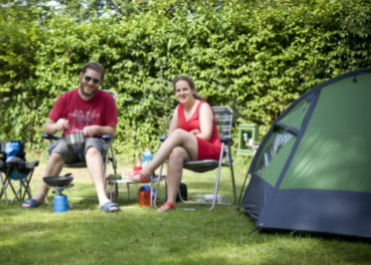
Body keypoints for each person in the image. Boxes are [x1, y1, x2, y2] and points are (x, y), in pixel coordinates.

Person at [21, 62, 120, 212]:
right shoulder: (65, 98)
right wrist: (56, 126)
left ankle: (102, 199)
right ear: (81, 76)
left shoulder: (106, 99)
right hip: (70, 143)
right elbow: (47, 127)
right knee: (57, 150)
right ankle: (40, 195)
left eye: (95, 81)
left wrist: (96, 128)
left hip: (92, 146)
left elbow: (111, 131)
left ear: (100, 82)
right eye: (87, 78)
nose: (90, 83)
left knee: (92, 146)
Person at [126, 75, 221, 212]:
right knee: (176, 152)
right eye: (178, 90)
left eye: (185, 89)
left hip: (210, 150)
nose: (181, 93)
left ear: (193, 90)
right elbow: (171, 136)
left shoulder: (203, 106)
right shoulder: (179, 109)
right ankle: (171, 202)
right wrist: (187, 136)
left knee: (179, 133)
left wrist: (186, 136)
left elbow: (206, 135)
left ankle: (147, 171)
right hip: (192, 151)